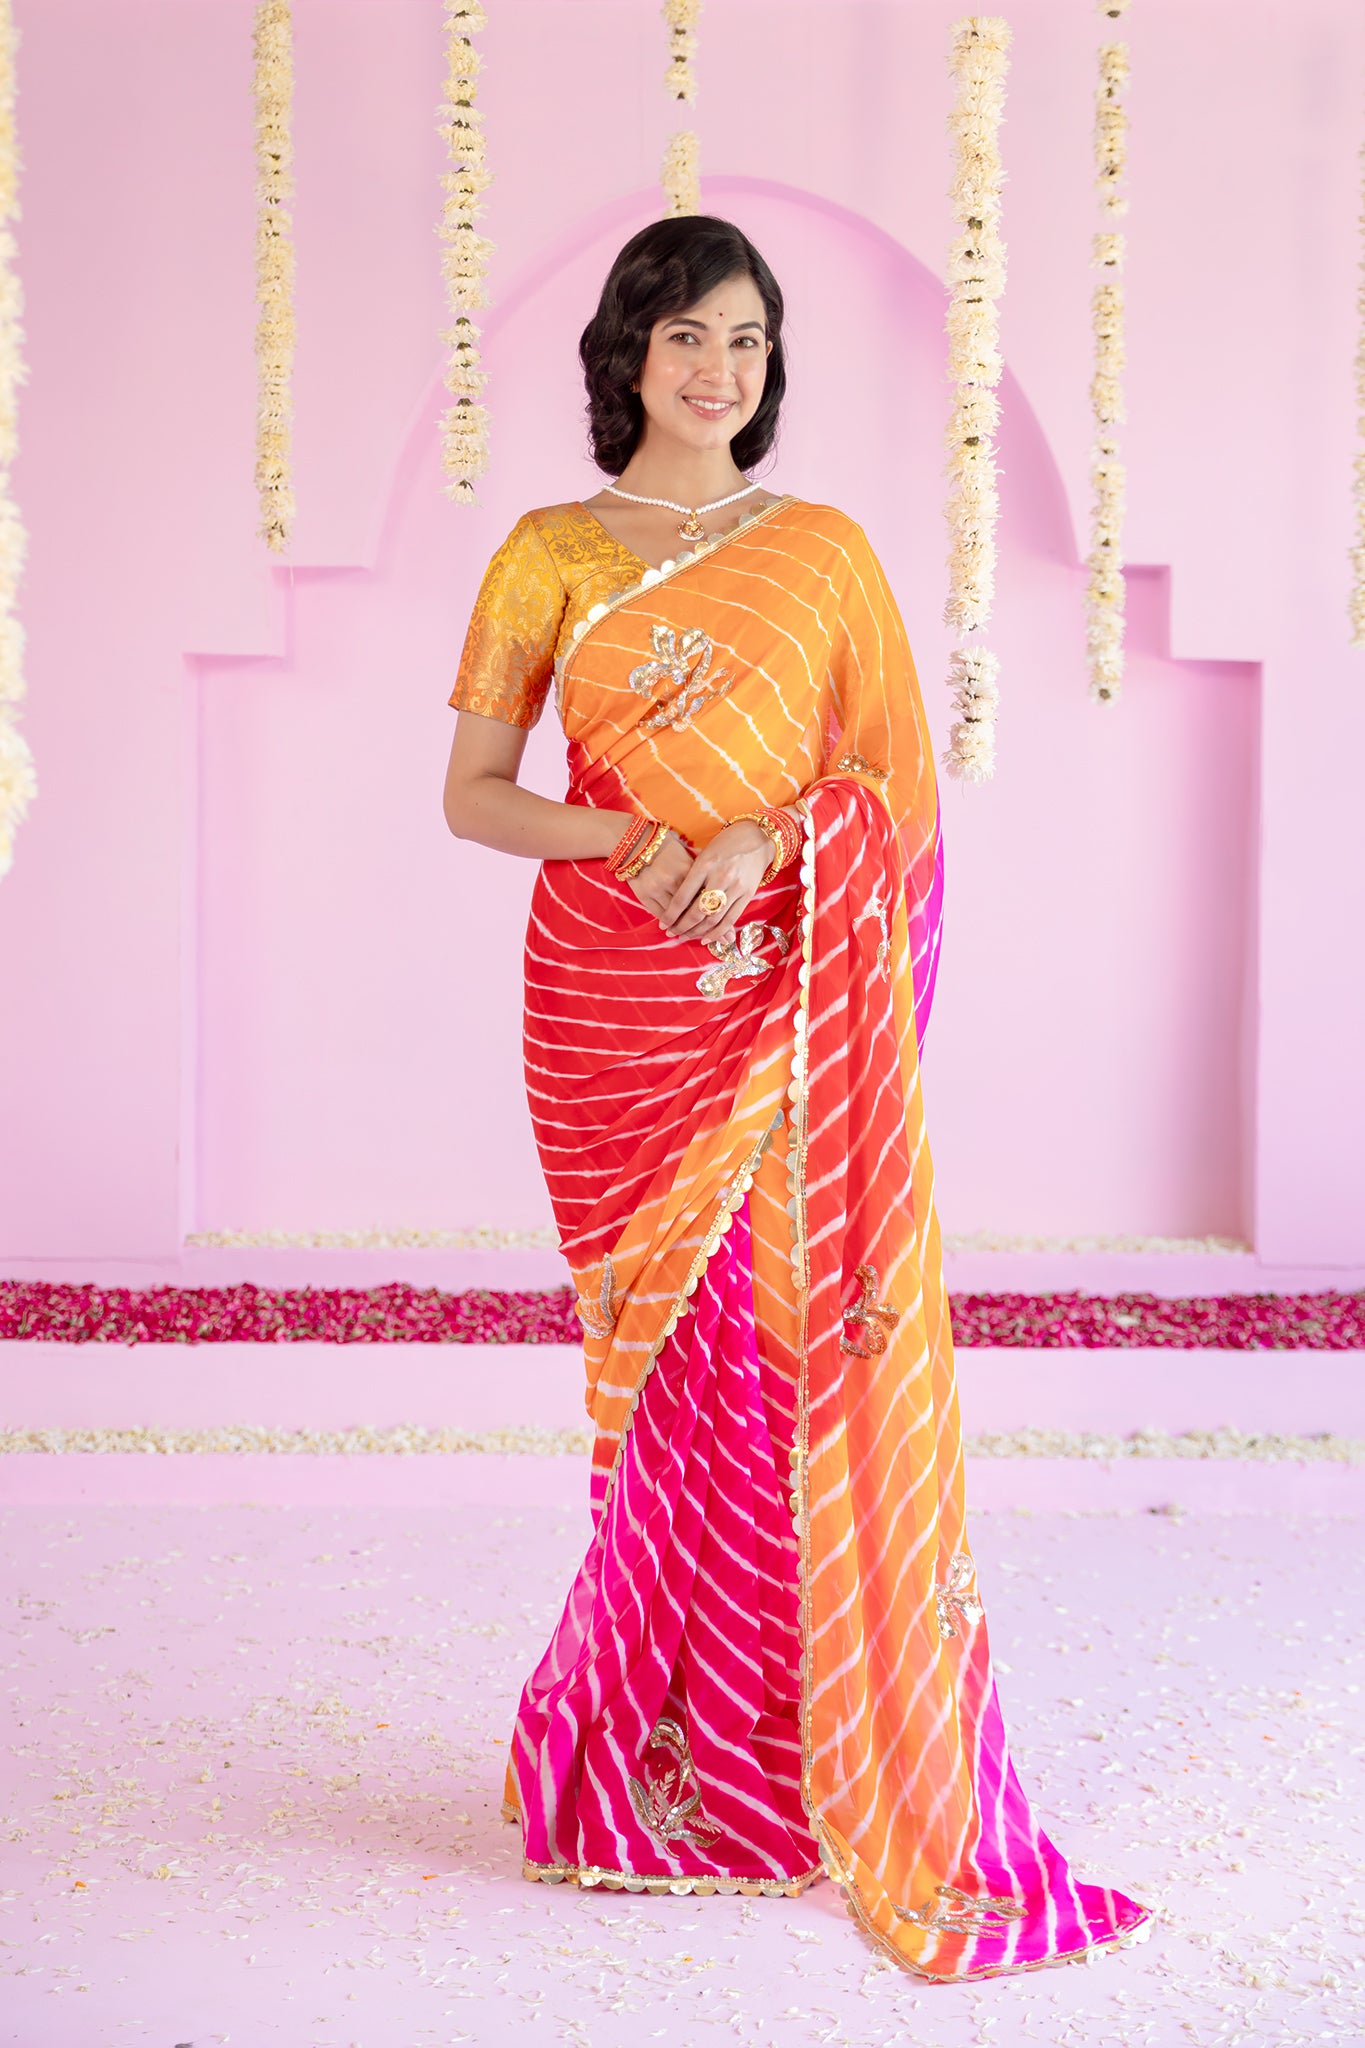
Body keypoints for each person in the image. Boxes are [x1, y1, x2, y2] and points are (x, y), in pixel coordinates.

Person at [442, 214, 1152, 1982]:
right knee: (661, 1382)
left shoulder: (822, 552)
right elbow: (475, 792)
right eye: (686, 334)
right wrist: (637, 839)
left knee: (785, 1352)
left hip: (784, 998)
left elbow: (890, 796)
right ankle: (659, 1754)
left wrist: (767, 841)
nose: (717, 368)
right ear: (626, 351)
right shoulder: (546, 554)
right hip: (610, 1007)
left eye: (745, 340)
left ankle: (791, 1741)